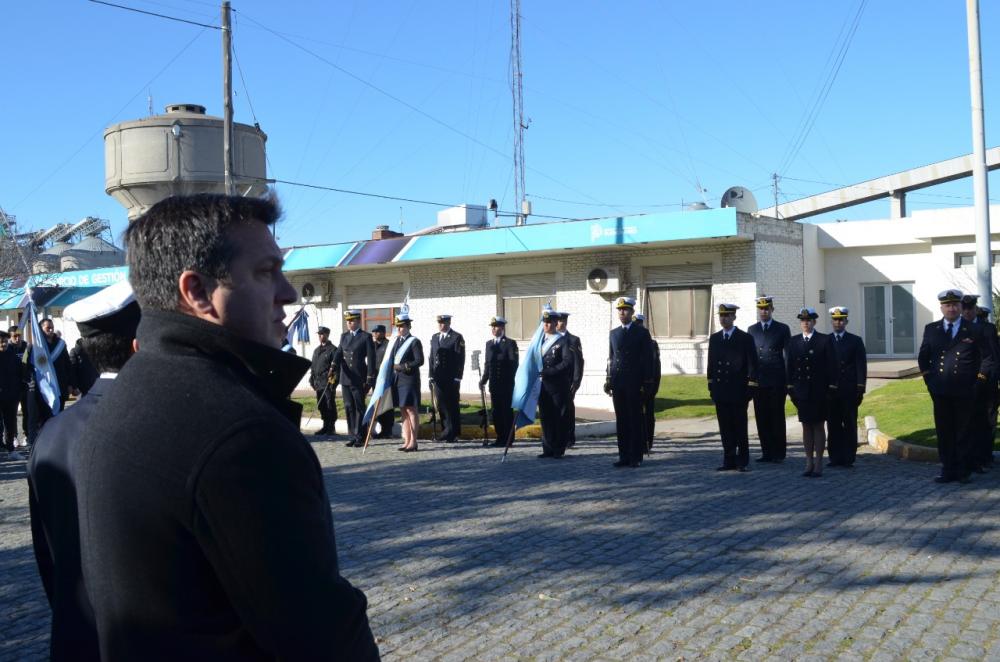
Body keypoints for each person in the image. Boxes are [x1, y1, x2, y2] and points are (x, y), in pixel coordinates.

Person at [73, 194, 378, 659]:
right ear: (197, 291)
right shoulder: (241, 434)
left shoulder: (128, 391)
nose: (289, 293)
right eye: (265, 272)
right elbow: (322, 637)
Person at [27, 280, 140, 662]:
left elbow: (47, 552)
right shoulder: (160, 423)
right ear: (141, 343)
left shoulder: (50, 435)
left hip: (75, 637)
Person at [917, 289, 993, 484]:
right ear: (941, 308)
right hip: (940, 390)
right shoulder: (931, 329)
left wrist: (979, 380)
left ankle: (963, 470)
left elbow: (987, 358)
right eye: (947, 305)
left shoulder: (974, 329)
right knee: (944, 431)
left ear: (960, 307)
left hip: (966, 390)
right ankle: (947, 469)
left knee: (964, 431)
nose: (951, 308)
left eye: (955, 305)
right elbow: (923, 357)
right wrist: (929, 381)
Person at [706, 304, 759, 472]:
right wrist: (711, 386)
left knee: (739, 427)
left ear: (734, 317)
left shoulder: (744, 338)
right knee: (725, 427)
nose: (723, 319)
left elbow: (752, 364)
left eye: (727, 316)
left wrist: (750, 387)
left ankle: (742, 461)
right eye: (721, 316)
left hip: (738, 390)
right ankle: (728, 460)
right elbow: (711, 364)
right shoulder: (715, 338)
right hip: (721, 390)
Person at [787, 307, 838, 478]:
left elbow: (832, 366)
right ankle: (808, 461)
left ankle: (818, 462)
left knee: (818, 426)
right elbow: (790, 366)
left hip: (819, 391)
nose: (805, 323)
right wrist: (790, 388)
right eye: (803, 320)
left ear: (814, 322)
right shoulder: (794, 341)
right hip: (801, 391)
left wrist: (831, 388)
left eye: (808, 320)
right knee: (806, 426)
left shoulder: (824, 340)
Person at [605, 296, 655, 468]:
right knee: (621, 420)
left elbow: (648, 359)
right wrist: (608, 379)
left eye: (625, 310)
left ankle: (636, 456)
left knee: (634, 420)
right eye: (619, 310)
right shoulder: (614, 333)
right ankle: (623, 455)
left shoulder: (641, 333)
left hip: (634, 382)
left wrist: (647, 383)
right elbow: (611, 359)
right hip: (618, 382)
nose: (622, 313)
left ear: (632, 312)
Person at [747, 295, 791, 463]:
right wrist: (750, 378)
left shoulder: (782, 329)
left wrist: (788, 380)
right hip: (759, 380)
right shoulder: (752, 330)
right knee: (762, 417)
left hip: (776, 379)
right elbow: (751, 356)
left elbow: (788, 356)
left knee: (776, 416)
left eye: (766, 309)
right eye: (761, 309)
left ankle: (778, 453)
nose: (764, 312)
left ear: (772, 309)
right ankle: (766, 452)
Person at [826, 306, 867, 468]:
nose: (838, 322)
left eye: (841, 320)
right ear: (831, 322)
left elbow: (860, 365)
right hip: (831, 390)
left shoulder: (855, 340)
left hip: (849, 389)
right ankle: (834, 457)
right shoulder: (826, 340)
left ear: (846, 321)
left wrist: (860, 387)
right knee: (833, 424)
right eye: (835, 320)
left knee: (849, 423)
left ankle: (849, 457)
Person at [961, 295, 998, 472]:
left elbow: (994, 355)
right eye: (965, 308)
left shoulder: (987, 328)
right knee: (970, 420)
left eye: (970, 308)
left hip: (987, 381)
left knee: (988, 419)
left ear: (975, 309)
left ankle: (985, 455)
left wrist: (988, 378)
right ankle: (973, 457)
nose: (967, 312)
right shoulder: (959, 327)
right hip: (966, 382)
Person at [24, 318, 73, 446]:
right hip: (42, 389)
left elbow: (68, 365)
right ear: (41, 329)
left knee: (57, 417)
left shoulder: (60, 344)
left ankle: (55, 443)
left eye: (52, 327)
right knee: (42, 419)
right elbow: (26, 365)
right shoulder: (35, 346)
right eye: (47, 328)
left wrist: (70, 384)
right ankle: (42, 444)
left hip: (59, 387)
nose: (51, 330)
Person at [336, 310, 376, 447]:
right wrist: (333, 365)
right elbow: (339, 353)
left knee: (359, 407)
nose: (349, 323)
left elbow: (371, 359)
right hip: (346, 377)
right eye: (348, 321)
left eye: (352, 320)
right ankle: (352, 435)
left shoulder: (365, 336)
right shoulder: (344, 336)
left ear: (358, 321)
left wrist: (369, 377)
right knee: (348, 406)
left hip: (359, 377)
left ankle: (361, 436)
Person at [538, 310, 573, 459]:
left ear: (554, 323)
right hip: (542, 386)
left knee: (559, 417)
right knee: (545, 417)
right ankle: (548, 447)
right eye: (544, 323)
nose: (546, 325)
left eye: (549, 322)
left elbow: (567, 362)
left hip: (558, 386)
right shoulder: (539, 341)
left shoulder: (562, 341)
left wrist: (551, 371)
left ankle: (559, 448)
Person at [480, 316, 518, 448]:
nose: (493, 329)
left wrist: (509, 381)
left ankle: (508, 439)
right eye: (492, 326)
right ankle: (500, 437)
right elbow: (487, 364)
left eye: (496, 326)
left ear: (502, 327)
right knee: (496, 412)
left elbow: (514, 364)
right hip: (494, 384)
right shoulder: (489, 344)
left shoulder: (510, 343)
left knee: (506, 412)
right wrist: (484, 380)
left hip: (506, 384)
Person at [389, 312, 423, 452]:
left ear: (408, 326)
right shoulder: (396, 341)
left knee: (411, 410)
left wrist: (403, 367)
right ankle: (406, 440)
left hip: (409, 379)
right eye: (397, 326)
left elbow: (419, 360)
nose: (399, 328)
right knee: (403, 410)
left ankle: (413, 442)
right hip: (398, 380)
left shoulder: (414, 341)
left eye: (402, 326)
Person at [430, 314, 465, 442]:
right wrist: (430, 375)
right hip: (438, 376)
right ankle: (445, 430)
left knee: (452, 405)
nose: (440, 325)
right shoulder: (435, 337)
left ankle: (453, 432)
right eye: (439, 323)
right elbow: (431, 357)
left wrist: (458, 377)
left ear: (449, 323)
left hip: (451, 377)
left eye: (443, 323)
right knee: (441, 404)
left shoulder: (456, 337)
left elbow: (460, 358)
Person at [555, 312, 583, 448]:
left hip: (568, 381)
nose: (560, 323)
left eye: (562, 321)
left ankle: (568, 438)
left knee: (567, 410)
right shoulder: (551, 339)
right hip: (554, 381)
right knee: (555, 410)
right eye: (558, 321)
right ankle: (557, 438)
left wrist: (576, 382)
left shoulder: (573, 340)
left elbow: (578, 362)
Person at [633, 313, 660, 454]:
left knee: (648, 416)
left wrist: (654, 387)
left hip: (649, 385)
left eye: (639, 324)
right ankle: (636, 443)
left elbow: (656, 367)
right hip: (633, 385)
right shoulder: (630, 342)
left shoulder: (652, 344)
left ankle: (648, 442)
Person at [976, 305, 999, 469]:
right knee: (989, 417)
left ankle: (981, 455)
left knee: (979, 418)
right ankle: (986, 455)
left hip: (979, 380)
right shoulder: (990, 330)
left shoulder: (975, 330)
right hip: (989, 380)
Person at [309, 325, 338, 436]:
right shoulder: (316, 350)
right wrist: (311, 379)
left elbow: (336, 369)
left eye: (322, 334)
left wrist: (333, 382)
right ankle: (325, 425)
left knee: (329, 404)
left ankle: (331, 427)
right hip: (318, 382)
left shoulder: (333, 350)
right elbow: (314, 366)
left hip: (328, 382)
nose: (320, 336)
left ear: (327, 335)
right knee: (321, 405)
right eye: (319, 334)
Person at [370, 324, 395, 439]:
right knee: (378, 405)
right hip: (375, 379)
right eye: (374, 332)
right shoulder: (372, 345)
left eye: (377, 332)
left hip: (386, 378)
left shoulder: (389, 345)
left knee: (387, 405)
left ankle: (388, 430)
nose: (375, 334)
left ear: (383, 333)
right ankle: (382, 429)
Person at [0, 331, 23, 459]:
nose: (3, 344)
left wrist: (18, 392)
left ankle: (11, 449)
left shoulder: (13, 356)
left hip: (11, 396)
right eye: (0, 342)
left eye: (4, 341)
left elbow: (19, 374)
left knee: (11, 423)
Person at [9, 326, 29, 446]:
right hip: (12, 385)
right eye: (14, 336)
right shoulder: (7, 349)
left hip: (25, 384)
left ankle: (27, 435)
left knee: (27, 411)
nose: (17, 339)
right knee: (12, 413)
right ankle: (13, 436)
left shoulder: (26, 347)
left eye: (19, 336)